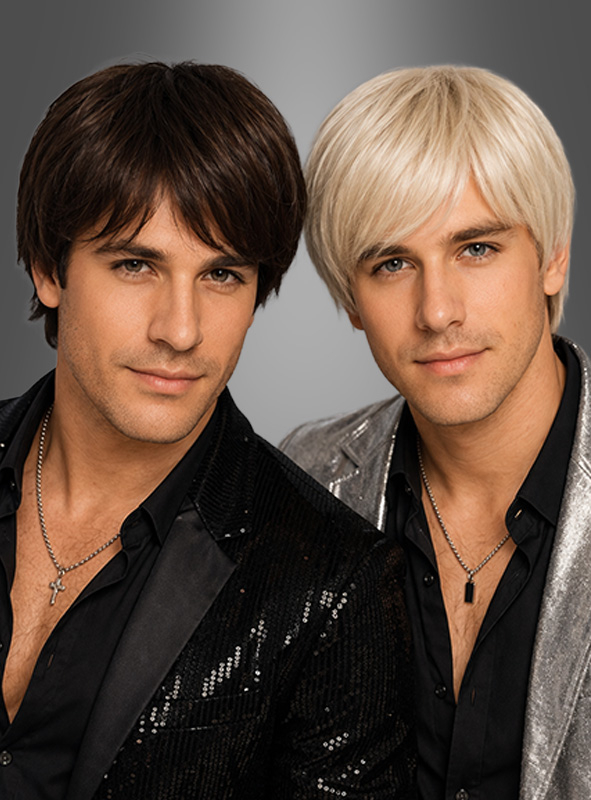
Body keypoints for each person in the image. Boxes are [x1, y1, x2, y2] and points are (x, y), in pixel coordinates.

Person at [0, 61, 416, 799]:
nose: (181, 330)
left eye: (222, 275)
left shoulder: (332, 586)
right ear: (47, 269)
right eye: (136, 264)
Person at [281, 65, 589, 800]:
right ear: (350, 299)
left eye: (475, 248)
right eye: (392, 263)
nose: (437, 311)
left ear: (552, 257)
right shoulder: (303, 478)